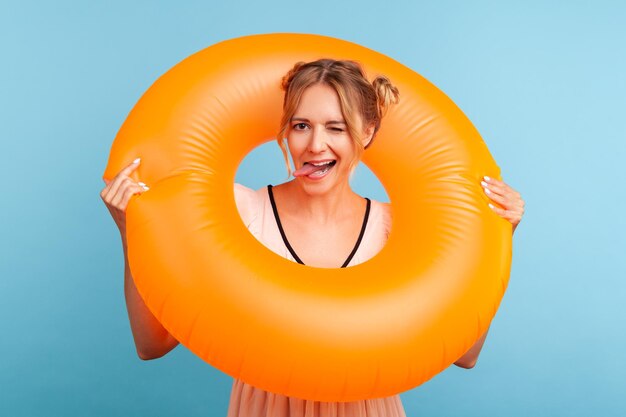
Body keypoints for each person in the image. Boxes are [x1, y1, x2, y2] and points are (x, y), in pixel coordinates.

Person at [101, 59, 525, 417]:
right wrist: (131, 231)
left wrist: (495, 242)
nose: (315, 145)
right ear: (283, 131)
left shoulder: (400, 230)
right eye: (301, 125)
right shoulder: (238, 214)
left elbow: (465, 355)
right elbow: (151, 345)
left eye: (336, 128)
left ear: (367, 134)